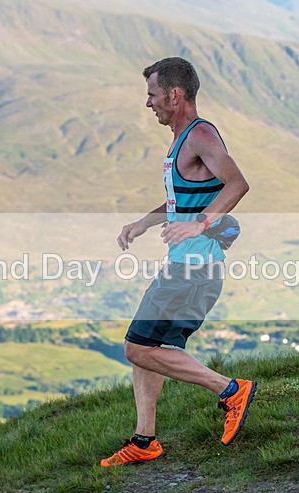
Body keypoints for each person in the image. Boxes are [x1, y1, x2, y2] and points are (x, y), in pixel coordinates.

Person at [101, 57, 255, 467]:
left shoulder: (200, 134)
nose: (148, 103)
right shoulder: (181, 140)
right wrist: (144, 223)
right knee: (151, 347)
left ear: (174, 94)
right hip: (184, 265)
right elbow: (180, 203)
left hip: (194, 269)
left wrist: (201, 224)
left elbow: (238, 183)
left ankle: (230, 390)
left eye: (152, 95)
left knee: (137, 347)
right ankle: (144, 440)